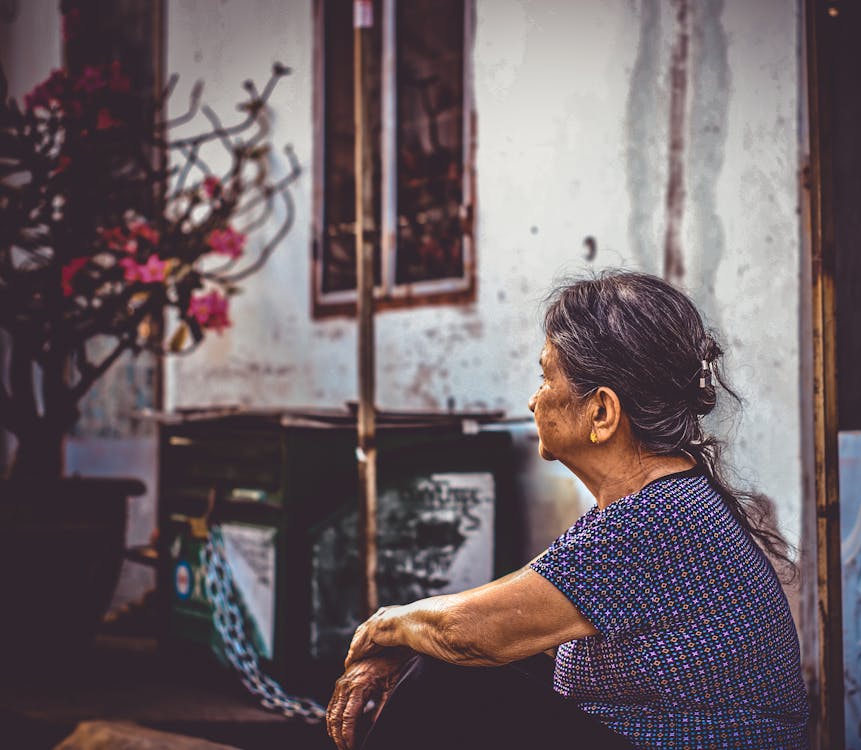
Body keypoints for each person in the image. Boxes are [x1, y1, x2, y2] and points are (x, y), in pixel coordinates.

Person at [327, 271, 809, 749]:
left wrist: (387, 626)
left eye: (546, 376)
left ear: (601, 412)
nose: (534, 399)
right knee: (459, 661)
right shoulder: (660, 505)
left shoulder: (660, 518)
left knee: (449, 678)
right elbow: (505, 615)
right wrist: (413, 639)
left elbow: (473, 630)